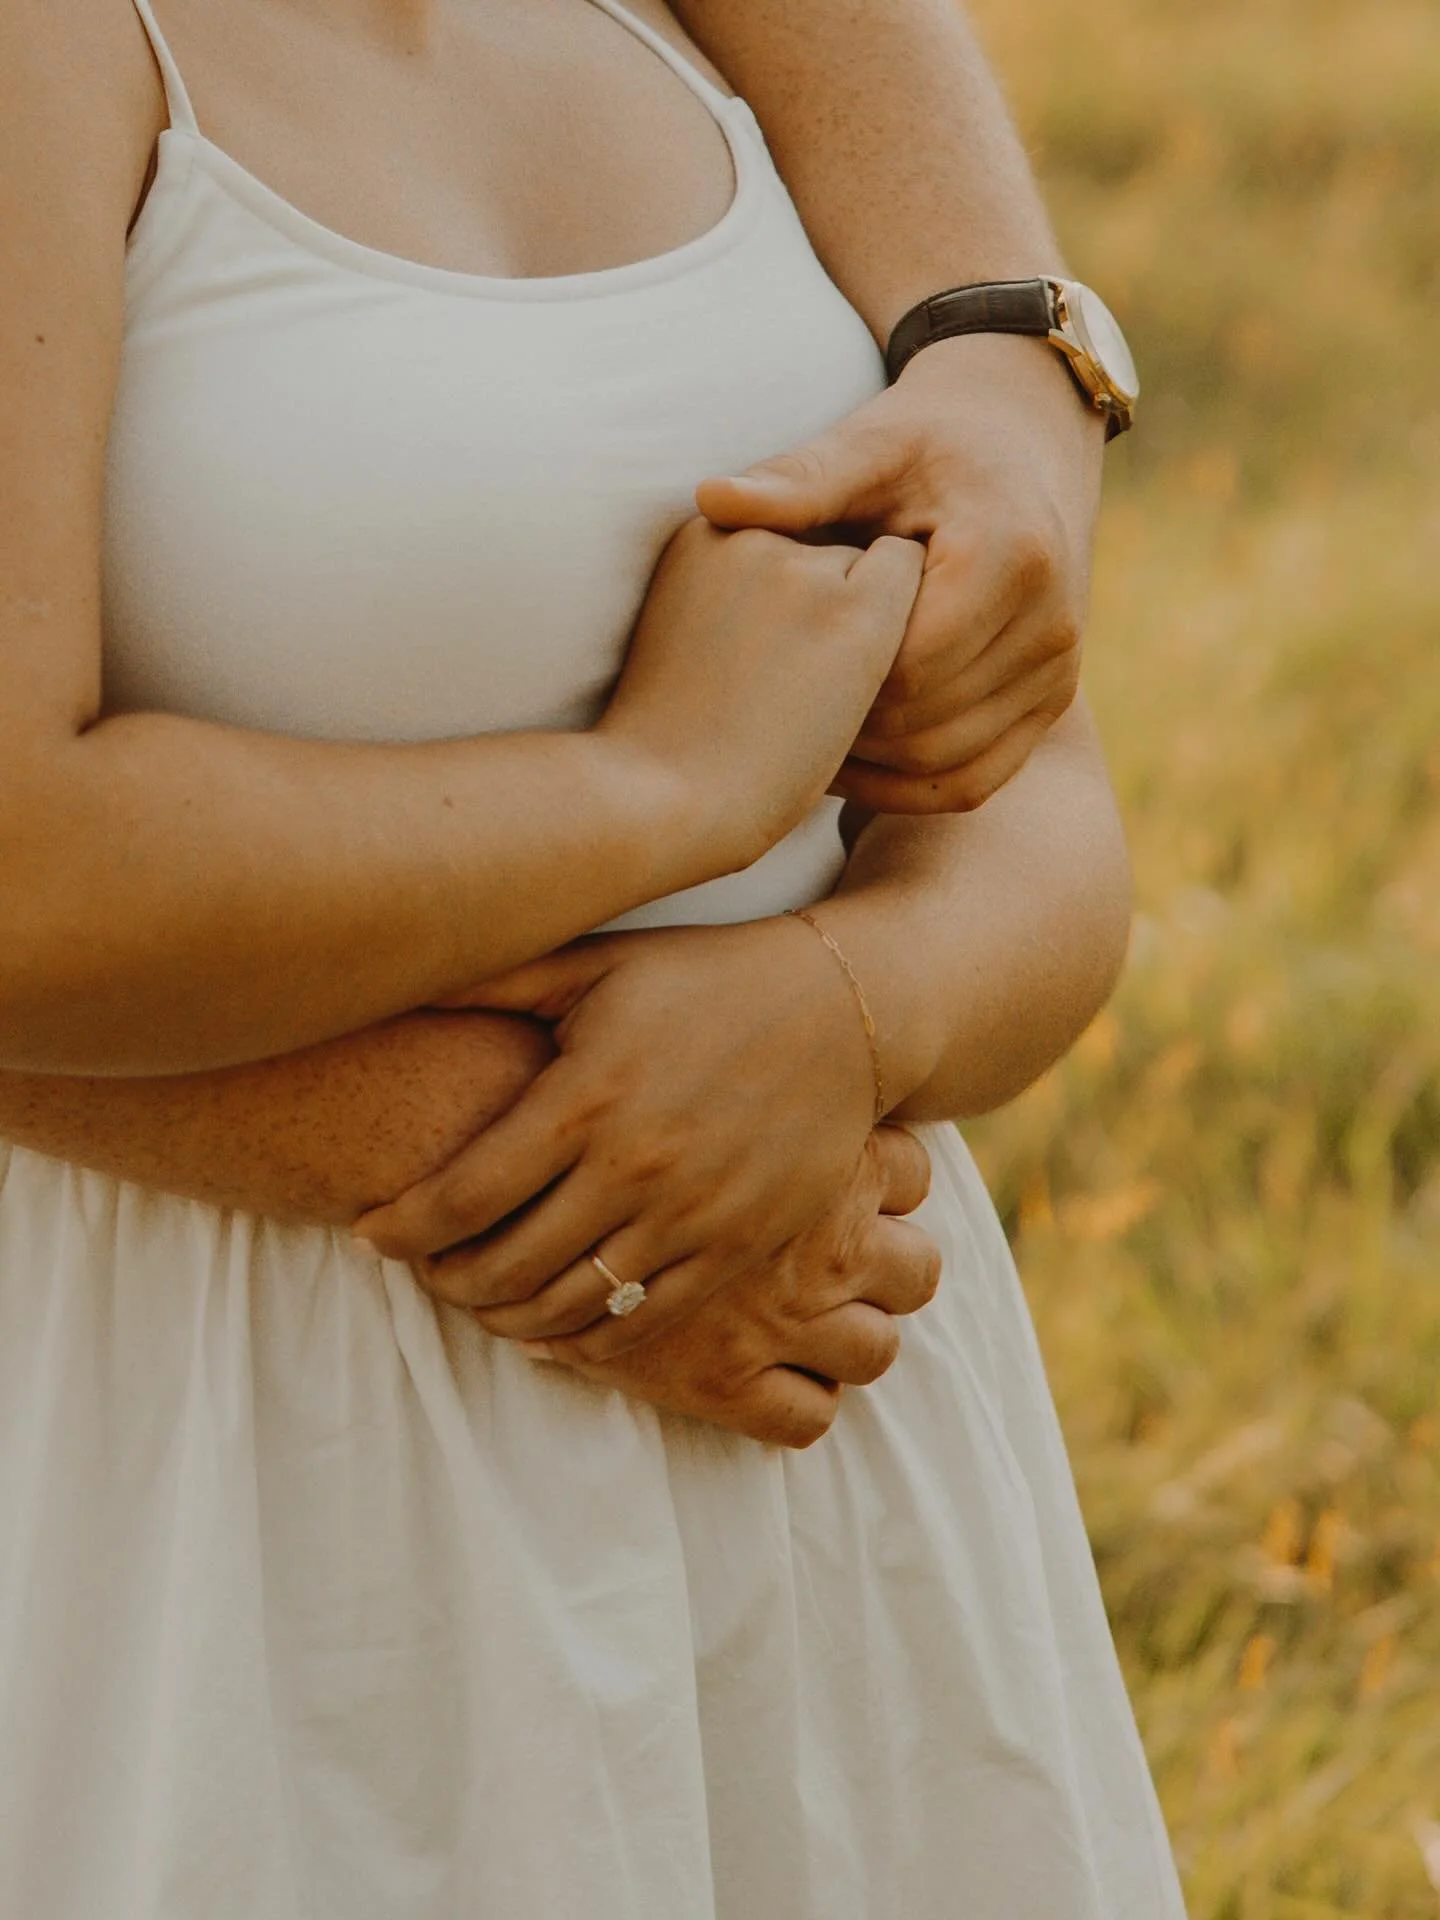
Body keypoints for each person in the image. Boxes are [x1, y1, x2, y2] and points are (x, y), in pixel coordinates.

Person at [0, 1, 1186, 1915]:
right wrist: (656, 795)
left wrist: (850, 1008)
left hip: (830, 1419)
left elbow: (1035, 781)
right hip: (227, 1487)